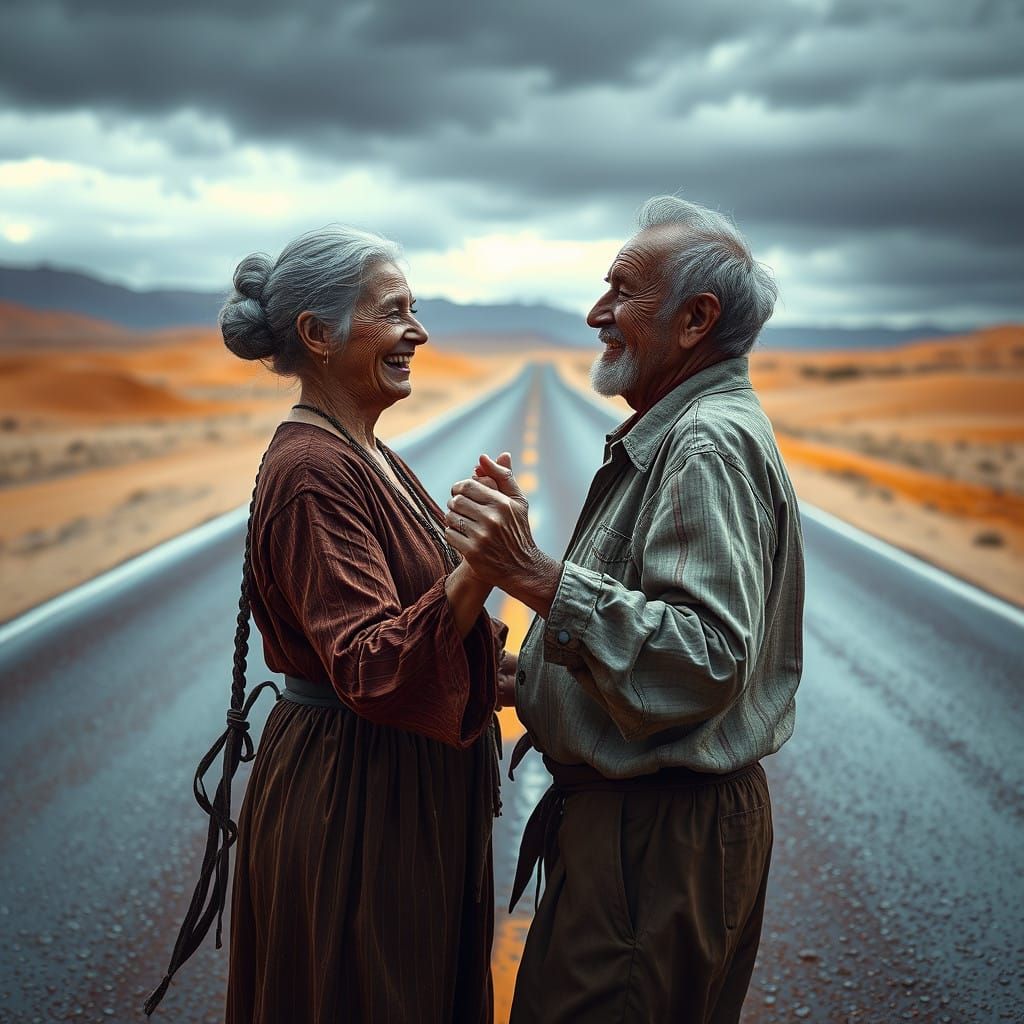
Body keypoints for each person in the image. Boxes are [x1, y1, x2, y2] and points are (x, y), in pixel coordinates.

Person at [445, 195, 805, 1023]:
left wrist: (533, 574)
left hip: (654, 844)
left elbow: (703, 661)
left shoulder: (704, 444)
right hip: (652, 839)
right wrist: (533, 677)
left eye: (623, 291)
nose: (595, 312)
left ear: (695, 320)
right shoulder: (684, 429)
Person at [145, 226, 509, 1023]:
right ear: (318, 334)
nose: (418, 332)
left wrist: (522, 675)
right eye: (393, 313)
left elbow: (420, 636)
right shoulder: (315, 470)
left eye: (415, 310)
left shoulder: (367, 449)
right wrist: (481, 568)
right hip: (354, 803)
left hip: (394, 792)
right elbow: (372, 666)